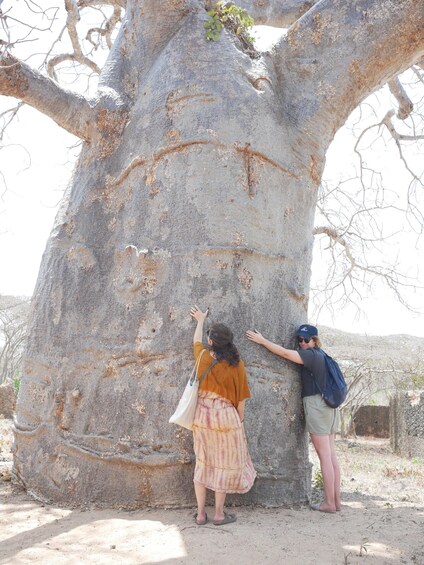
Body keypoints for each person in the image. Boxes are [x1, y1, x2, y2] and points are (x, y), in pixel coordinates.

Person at [246, 324, 341, 513]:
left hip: (317, 405)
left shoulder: (311, 355)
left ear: (315, 340)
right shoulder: (322, 355)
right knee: (330, 455)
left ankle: (329, 503)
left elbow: (286, 354)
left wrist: (263, 341)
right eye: (300, 340)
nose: (302, 343)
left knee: (325, 456)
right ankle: (336, 502)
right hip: (329, 406)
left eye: (306, 340)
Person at [190, 305, 256, 526]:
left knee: (203, 462)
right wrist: (239, 420)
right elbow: (242, 399)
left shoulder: (203, 358)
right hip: (227, 417)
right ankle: (219, 514)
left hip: (203, 416)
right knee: (223, 465)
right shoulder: (237, 365)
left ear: (211, 341)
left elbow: (195, 342)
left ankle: (200, 514)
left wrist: (200, 320)